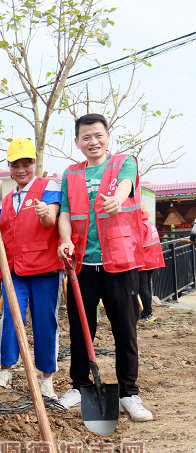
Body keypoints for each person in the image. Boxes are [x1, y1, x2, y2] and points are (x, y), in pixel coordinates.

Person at [57, 113, 152, 422]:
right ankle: (79, 385)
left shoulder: (124, 162)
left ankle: (129, 393)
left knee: (126, 329)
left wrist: (117, 199)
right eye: (86, 137)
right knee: (81, 329)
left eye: (98, 135)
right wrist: (64, 239)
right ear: (77, 142)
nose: (93, 142)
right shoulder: (70, 173)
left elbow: (126, 185)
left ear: (107, 136)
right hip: (82, 264)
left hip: (120, 262)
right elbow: (66, 213)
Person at [0, 138, 63, 399]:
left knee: (45, 322)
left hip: (44, 269)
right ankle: (6, 369)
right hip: (14, 271)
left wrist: (44, 212)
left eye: (27, 163)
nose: (21, 169)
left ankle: (46, 378)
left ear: (35, 163)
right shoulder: (8, 198)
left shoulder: (48, 186)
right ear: (9, 167)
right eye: (15, 165)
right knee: (11, 318)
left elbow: (50, 220)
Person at [137, 203, 165, 322]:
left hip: (144, 260)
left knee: (142, 287)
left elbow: (137, 243)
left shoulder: (141, 226)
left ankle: (147, 313)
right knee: (147, 286)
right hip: (152, 259)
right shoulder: (149, 223)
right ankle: (148, 311)